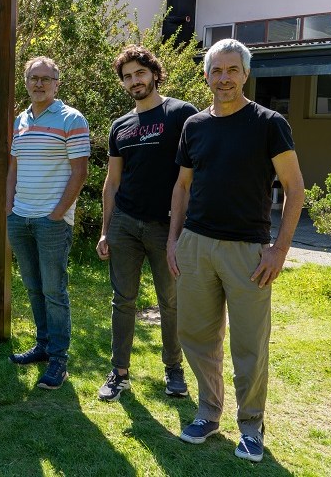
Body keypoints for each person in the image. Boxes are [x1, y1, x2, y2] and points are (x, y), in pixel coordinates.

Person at [166, 39, 305, 462]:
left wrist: (279, 250)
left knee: (249, 343)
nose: (223, 78)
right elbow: (182, 186)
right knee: (196, 334)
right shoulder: (194, 126)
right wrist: (174, 240)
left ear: (245, 74)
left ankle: (251, 426)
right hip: (196, 245)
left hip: (247, 251)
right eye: (216, 70)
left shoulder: (268, 123)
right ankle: (208, 413)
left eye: (232, 70)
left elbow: (295, 189)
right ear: (206, 75)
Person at [95, 45, 197, 402]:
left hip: (165, 227)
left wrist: (185, 228)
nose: (134, 81)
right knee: (122, 300)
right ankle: (119, 373)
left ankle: (174, 370)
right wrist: (106, 228)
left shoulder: (181, 114)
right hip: (124, 222)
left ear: (154, 73)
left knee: (170, 301)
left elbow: (193, 175)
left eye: (140, 73)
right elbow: (112, 181)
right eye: (127, 76)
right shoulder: (120, 126)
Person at [7, 56, 90, 390]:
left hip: (51, 221)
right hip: (20, 217)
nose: (38, 83)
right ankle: (42, 346)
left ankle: (58, 359)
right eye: (32, 78)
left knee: (54, 290)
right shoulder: (20, 121)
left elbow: (80, 171)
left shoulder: (71, 119)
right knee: (33, 286)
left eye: (45, 78)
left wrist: (57, 213)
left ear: (57, 83)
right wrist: (8, 208)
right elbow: (13, 168)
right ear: (25, 82)